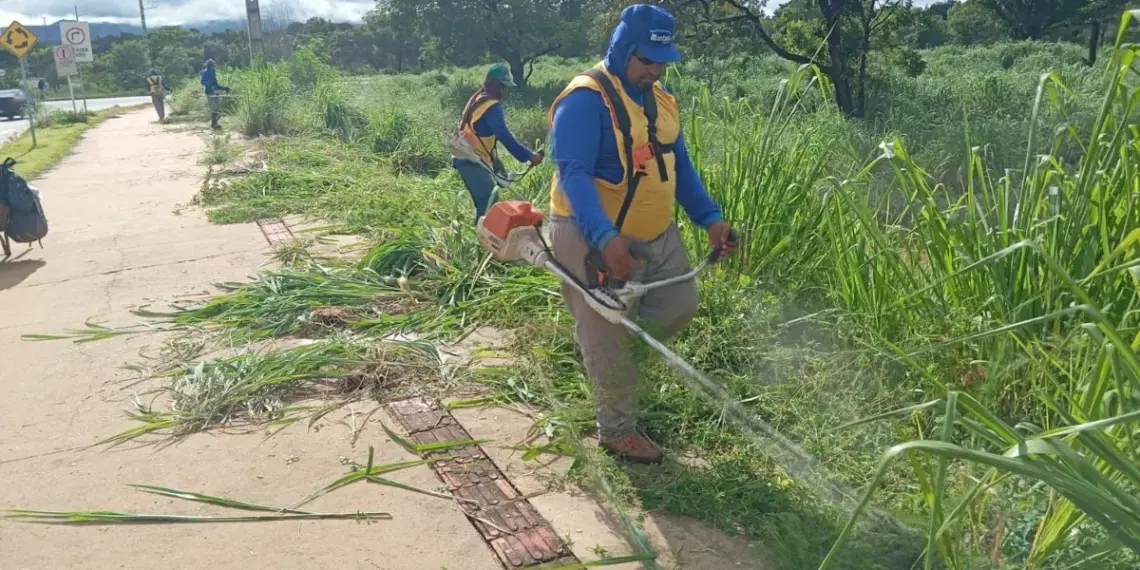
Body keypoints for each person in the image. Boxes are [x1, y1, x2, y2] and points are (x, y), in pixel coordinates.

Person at [547, 4, 738, 463]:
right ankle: (616, 430)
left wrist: (710, 218)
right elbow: (573, 173)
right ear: (622, 50)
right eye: (646, 60)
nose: (654, 69)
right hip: (590, 235)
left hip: (657, 232)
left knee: (678, 305)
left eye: (661, 61)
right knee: (607, 335)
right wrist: (605, 238)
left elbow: (680, 166)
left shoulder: (661, 100)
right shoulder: (584, 100)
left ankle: (610, 363)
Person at [451, 62, 543, 223]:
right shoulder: (491, 106)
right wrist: (529, 156)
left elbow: (486, 137)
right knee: (489, 202)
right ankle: (483, 244)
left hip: (467, 155)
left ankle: (483, 239)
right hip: (470, 158)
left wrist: (498, 168)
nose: (504, 90)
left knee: (487, 201)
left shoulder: (479, 98)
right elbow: (504, 136)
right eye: (503, 86)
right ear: (495, 85)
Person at [200, 59, 230, 130]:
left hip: (216, 92)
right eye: (213, 65)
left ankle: (215, 123)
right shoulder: (205, 72)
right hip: (209, 92)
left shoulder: (213, 71)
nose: (214, 66)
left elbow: (215, 84)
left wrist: (224, 88)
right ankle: (213, 124)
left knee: (217, 108)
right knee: (214, 109)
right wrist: (207, 84)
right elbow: (202, 82)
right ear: (210, 65)